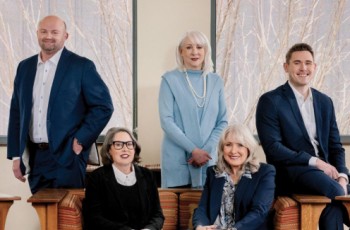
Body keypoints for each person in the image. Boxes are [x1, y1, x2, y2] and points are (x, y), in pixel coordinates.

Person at [7, 15, 114, 194]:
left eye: (55, 32)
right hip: (35, 157)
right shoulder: (24, 67)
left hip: (69, 155)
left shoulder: (81, 66)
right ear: (37, 34)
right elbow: (16, 112)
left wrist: (81, 139)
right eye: (44, 31)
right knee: (43, 215)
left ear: (65, 36)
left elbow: (103, 106)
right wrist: (16, 155)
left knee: (68, 217)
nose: (49, 36)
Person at [256, 43, 349, 229]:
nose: (303, 68)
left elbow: (335, 146)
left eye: (308, 63)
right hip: (292, 171)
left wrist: (342, 175)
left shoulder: (325, 102)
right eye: (297, 63)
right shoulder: (271, 101)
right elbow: (273, 148)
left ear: (315, 67)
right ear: (286, 67)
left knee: (334, 207)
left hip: (327, 174)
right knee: (336, 190)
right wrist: (315, 162)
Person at [158, 30, 228, 188]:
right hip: (177, 158)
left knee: (208, 209)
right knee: (177, 210)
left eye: (199, 47)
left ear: (206, 51)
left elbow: (222, 121)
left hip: (209, 159)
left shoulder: (216, 81)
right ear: (181, 51)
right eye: (189, 47)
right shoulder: (169, 79)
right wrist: (193, 150)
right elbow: (166, 121)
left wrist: (206, 151)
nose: (194, 52)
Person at [192, 124, 275, 230]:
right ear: (222, 148)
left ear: (248, 148)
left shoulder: (264, 172)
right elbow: (202, 208)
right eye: (228, 144)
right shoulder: (213, 172)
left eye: (240, 145)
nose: (233, 151)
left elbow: (259, 211)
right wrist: (200, 226)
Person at [83, 127, 164, 230]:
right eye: (118, 145)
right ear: (109, 150)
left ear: (134, 149)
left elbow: (157, 215)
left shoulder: (148, 175)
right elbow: (93, 218)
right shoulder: (96, 178)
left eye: (129, 144)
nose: (125, 149)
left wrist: (149, 229)